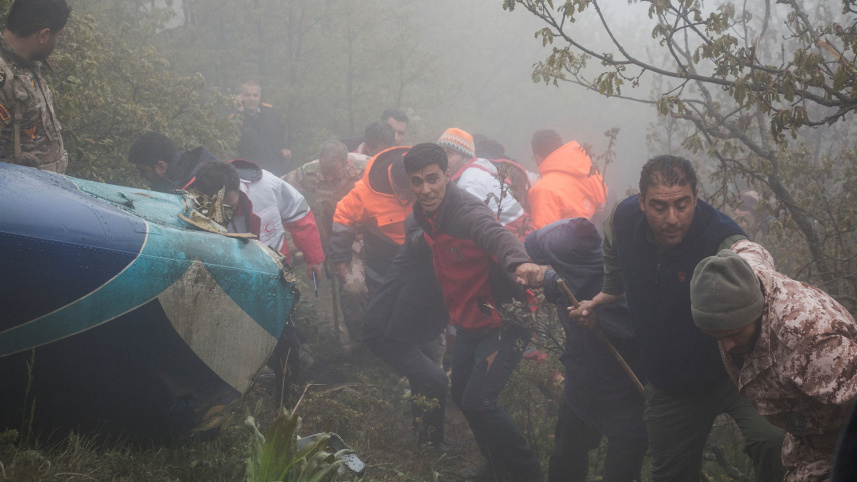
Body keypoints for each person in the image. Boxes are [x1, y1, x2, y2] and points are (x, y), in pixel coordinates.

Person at [569, 155, 786, 481]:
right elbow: (612, 251)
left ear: (697, 197)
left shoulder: (721, 237)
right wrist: (606, 294)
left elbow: (756, 269)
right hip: (670, 383)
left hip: (736, 372)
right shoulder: (622, 219)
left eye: (683, 205)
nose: (672, 218)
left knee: (775, 442)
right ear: (641, 202)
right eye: (659, 207)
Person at [404, 143, 545, 482]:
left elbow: (496, 235)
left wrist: (520, 262)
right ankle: (495, 466)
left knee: (480, 402)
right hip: (469, 321)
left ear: (447, 176)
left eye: (433, 179)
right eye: (417, 181)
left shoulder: (465, 211)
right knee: (462, 394)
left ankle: (529, 473)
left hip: (504, 320)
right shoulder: (423, 212)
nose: (426, 189)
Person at [690, 241, 857, 480]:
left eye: (734, 334)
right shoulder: (742, 275)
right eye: (716, 336)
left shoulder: (811, 345)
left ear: (756, 312)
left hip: (841, 445)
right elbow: (748, 248)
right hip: (805, 444)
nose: (726, 346)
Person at [525, 218, 647, 482]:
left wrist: (599, 321)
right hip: (581, 390)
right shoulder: (565, 281)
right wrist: (536, 270)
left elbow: (638, 329)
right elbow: (552, 276)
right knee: (565, 461)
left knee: (621, 472)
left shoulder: (620, 284)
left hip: (626, 397)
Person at [189, 160, 323, 399]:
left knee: (286, 345)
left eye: (230, 203)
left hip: (274, 274)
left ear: (237, 188)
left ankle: (286, 402)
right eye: (220, 207)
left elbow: (299, 213)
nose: (228, 211)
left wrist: (314, 256)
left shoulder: (267, 186)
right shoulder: (193, 198)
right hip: (229, 282)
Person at [361, 215, 450, 451]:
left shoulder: (448, 256)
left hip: (410, 327)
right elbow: (416, 234)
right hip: (385, 329)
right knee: (435, 379)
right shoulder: (418, 247)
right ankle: (430, 446)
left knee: (425, 377)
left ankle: (428, 436)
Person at [329, 146, 413, 341]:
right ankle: (360, 339)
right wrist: (340, 257)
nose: (403, 199)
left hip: (413, 256)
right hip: (372, 250)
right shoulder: (368, 189)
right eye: (400, 192)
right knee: (354, 289)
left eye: (408, 194)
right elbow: (342, 216)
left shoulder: (427, 180)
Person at [0, 0, 71, 173]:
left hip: (44, 190)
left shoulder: (28, 62)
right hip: (17, 194)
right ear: (43, 35)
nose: (57, 42)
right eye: (58, 36)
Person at [437, 127, 531, 237]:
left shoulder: (472, 178)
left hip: (518, 239)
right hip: (509, 235)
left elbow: (463, 220)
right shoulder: (470, 172)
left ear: (466, 158)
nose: (443, 159)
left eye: (450, 153)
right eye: (441, 153)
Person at [527, 129, 607, 229]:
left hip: (579, 243)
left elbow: (544, 238)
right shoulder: (587, 168)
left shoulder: (543, 190)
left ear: (538, 158)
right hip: (603, 238)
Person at [128, 131, 218, 193]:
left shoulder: (188, 192)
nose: (141, 176)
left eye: (144, 171)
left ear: (161, 167)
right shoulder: (184, 165)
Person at [235, 80, 291, 176]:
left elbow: (281, 131)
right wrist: (240, 112)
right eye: (247, 95)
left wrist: (284, 147)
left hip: (277, 169)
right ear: (240, 97)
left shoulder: (270, 112)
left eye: (255, 95)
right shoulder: (235, 119)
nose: (251, 99)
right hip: (252, 173)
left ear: (260, 97)